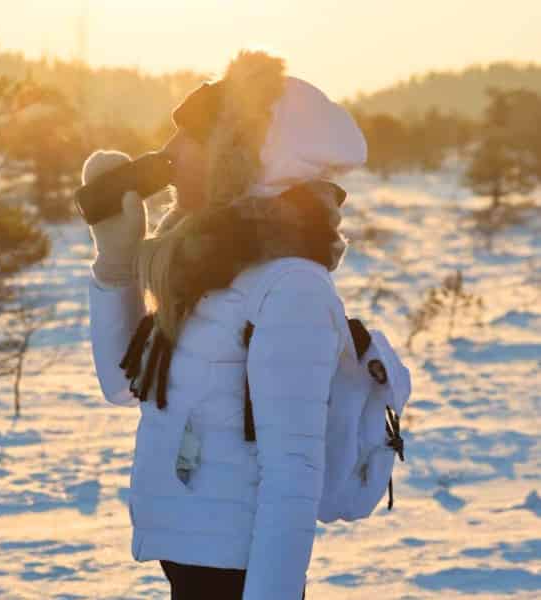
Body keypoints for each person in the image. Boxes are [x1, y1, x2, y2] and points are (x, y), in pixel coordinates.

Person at [84, 50, 368, 599]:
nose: (166, 154)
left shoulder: (290, 286)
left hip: (239, 578)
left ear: (245, 158)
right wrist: (115, 263)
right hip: (190, 564)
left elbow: (293, 475)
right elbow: (122, 385)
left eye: (188, 139)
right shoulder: (199, 267)